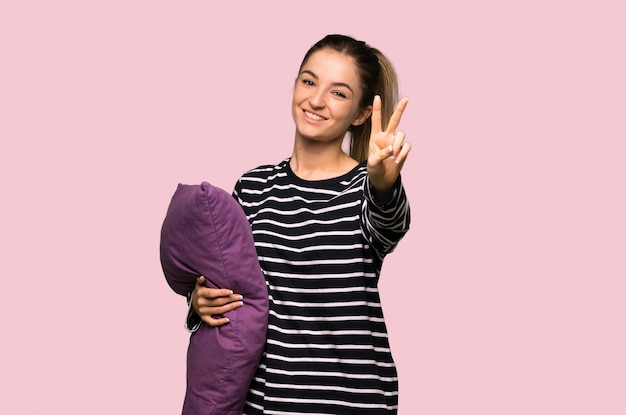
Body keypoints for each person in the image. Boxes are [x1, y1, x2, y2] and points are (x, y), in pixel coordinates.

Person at [188, 33, 412, 414]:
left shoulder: (366, 189)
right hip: (263, 404)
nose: (317, 100)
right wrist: (199, 303)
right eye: (309, 81)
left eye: (339, 93)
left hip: (352, 403)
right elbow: (227, 280)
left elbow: (389, 223)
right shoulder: (253, 187)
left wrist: (384, 182)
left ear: (360, 114)